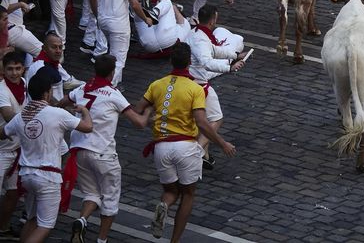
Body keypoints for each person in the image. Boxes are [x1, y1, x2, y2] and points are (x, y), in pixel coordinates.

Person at [132, 42, 236, 241]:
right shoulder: (194, 89)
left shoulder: (157, 85)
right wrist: (222, 143)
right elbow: (202, 123)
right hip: (186, 147)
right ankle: (174, 240)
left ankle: (164, 205)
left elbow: (138, 109)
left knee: (170, 191)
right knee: (188, 194)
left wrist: (152, 111)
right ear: (189, 62)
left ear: (171, 61)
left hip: (161, 147)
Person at [0, 69, 92, 243]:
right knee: (46, 225)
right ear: (47, 93)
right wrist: (84, 111)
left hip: (26, 175)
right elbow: (87, 127)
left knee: (32, 219)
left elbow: (3, 133)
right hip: (48, 177)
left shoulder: (21, 117)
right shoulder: (57, 114)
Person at [66, 54, 149, 243]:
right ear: (112, 73)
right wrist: (149, 111)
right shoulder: (113, 94)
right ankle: (102, 240)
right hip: (103, 153)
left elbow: (63, 101)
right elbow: (139, 123)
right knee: (110, 199)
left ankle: (82, 219)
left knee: (91, 194)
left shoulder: (81, 89)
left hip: (80, 151)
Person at [188, 5, 246, 168]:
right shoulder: (201, 39)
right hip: (198, 84)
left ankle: (203, 154)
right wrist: (229, 67)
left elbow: (214, 50)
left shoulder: (196, 33)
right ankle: (196, 153)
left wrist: (234, 56)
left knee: (202, 120)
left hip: (190, 82)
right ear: (213, 20)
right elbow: (207, 61)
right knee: (216, 118)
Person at [91, 0, 152, 86]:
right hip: (119, 25)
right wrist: (145, 19)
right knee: (118, 61)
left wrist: (97, 15)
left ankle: (106, 85)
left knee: (110, 56)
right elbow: (135, 4)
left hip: (103, 21)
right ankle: (109, 88)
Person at [0, 52, 25, 238]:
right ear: (3, 70)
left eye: (17, 68)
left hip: (17, 151)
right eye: (10, 69)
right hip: (1, 152)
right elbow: (9, 116)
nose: (14, 73)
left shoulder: (25, 85)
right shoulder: (1, 91)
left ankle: (4, 228)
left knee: (13, 193)